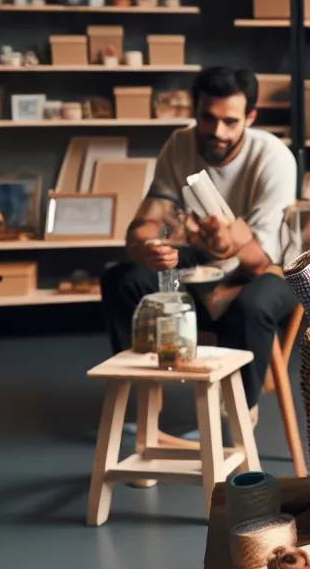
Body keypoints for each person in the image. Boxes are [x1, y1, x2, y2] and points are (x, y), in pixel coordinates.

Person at [103, 67, 298, 401]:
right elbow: (147, 221)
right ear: (195, 112)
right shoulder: (180, 144)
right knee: (123, 279)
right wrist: (146, 246)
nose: (217, 132)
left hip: (275, 266)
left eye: (231, 122)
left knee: (251, 306)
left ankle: (240, 412)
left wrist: (228, 244)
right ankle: (143, 392)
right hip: (208, 258)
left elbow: (262, 259)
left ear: (250, 117)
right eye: (207, 118)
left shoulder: (273, 157)